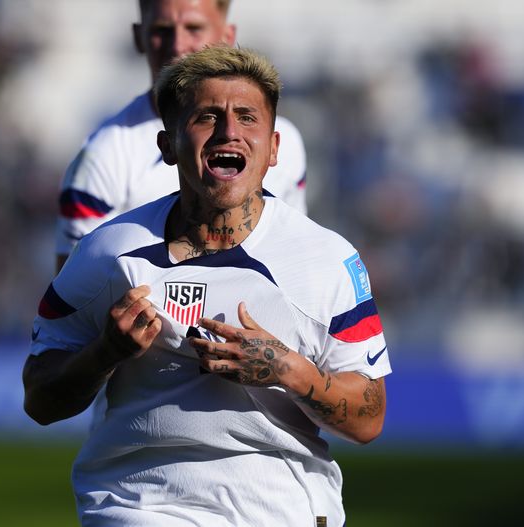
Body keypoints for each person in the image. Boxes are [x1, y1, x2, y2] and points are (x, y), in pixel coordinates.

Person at [24, 45, 390, 526]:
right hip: (142, 505)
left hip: (285, 509)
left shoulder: (327, 261)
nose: (229, 132)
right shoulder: (107, 253)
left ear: (274, 148)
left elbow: (369, 419)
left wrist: (286, 369)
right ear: (167, 146)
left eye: (246, 117)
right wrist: (105, 352)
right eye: (207, 117)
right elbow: (39, 398)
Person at [54, 0, 308, 273]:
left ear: (227, 35)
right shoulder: (104, 157)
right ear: (139, 37)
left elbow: (296, 260)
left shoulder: (285, 144)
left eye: (194, 28)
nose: (177, 45)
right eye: (162, 30)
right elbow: (74, 299)